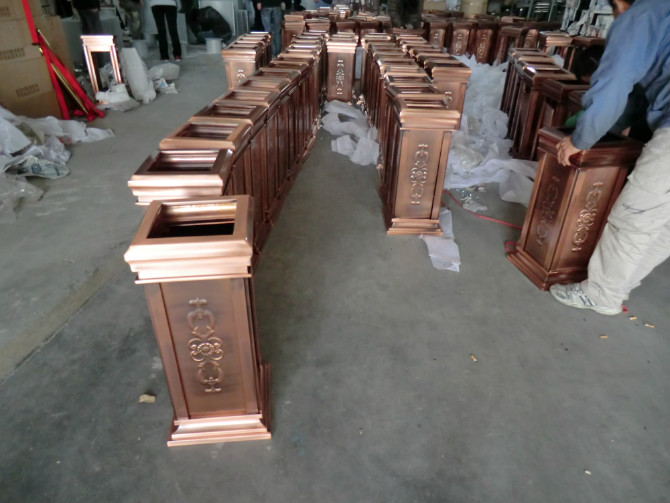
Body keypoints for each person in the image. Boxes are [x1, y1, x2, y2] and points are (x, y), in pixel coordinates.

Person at [549, 0, 670, 315]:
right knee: (664, 222)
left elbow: (615, 81)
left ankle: (601, 294)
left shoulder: (642, 14)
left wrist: (581, 139)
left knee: (635, 216)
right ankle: (618, 284)